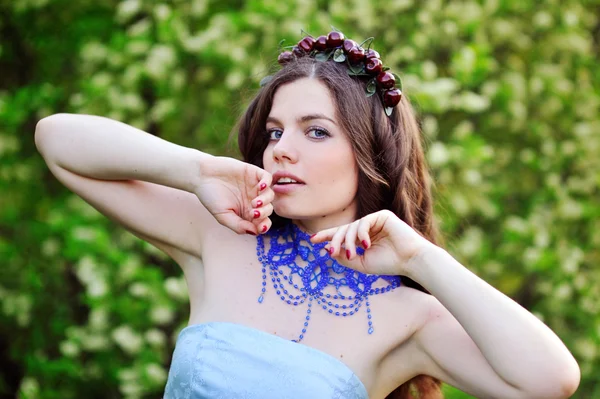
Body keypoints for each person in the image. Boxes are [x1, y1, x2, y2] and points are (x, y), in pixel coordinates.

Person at [34, 31, 580, 399]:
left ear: (371, 154)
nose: (281, 149)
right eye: (275, 131)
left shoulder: (412, 318)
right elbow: (58, 139)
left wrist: (419, 258)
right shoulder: (221, 235)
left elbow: (552, 380)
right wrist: (197, 170)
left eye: (315, 131)